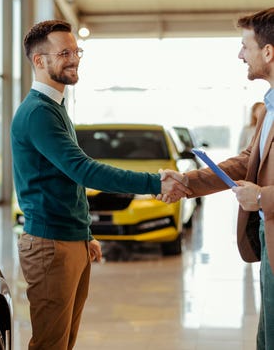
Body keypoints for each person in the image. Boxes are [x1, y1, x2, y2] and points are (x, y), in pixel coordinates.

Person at [10, 19, 190, 350]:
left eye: (76, 51)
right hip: (50, 246)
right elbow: (83, 171)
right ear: (39, 60)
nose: (74, 58)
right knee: (50, 343)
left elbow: (67, 180)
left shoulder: (56, 107)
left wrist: (85, 235)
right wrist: (155, 181)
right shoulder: (38, 113)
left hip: (68, 240)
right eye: (64, 52)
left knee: (65, 340)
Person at [159, 7, 274, 350]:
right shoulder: (268, 107)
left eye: (245, 46)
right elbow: (244, 163)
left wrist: (263, 198)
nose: (240, 54)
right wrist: (187, 182)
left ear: (268, 52)